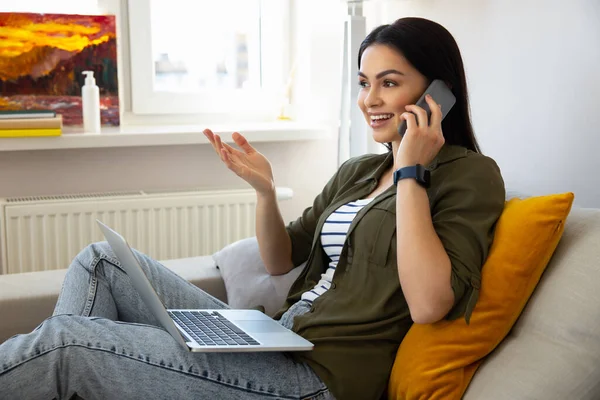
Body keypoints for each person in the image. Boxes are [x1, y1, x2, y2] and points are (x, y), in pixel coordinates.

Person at [0, 17, 505, 400]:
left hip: (318, 379)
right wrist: (265, 191)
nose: (369, 99)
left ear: (437, 94)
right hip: (278, 338)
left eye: (389, 83)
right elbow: (280, 260)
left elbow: (429, 303)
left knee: (66, 343)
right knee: (101, 261)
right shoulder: (359, 171)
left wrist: (412, 171)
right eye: (363, 82)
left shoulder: (468, 176)